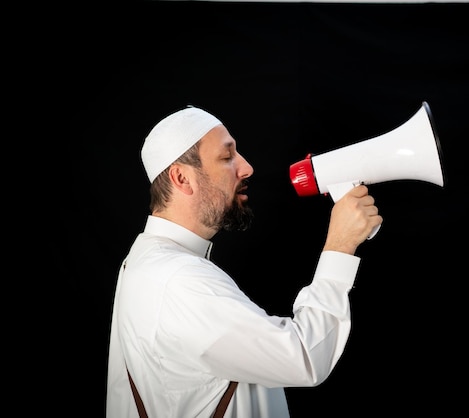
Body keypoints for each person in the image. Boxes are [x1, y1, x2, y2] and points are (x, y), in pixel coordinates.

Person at [106, 105, 382, 418]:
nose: (247, 168)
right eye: (227, 157)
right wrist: (340, 246)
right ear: (182, 177)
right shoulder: (180, 280)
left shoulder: (144, 259)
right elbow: (305, 357)